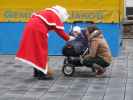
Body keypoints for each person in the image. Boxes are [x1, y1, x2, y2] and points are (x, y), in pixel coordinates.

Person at [15, 5, 75, 80]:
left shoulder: (45, 12)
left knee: (35, 50)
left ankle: (37, 71)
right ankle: (42, 74)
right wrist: (69, 38)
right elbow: (60, 31)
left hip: (29, 27)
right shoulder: (54, 15)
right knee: (41, 51)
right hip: (38, 30)